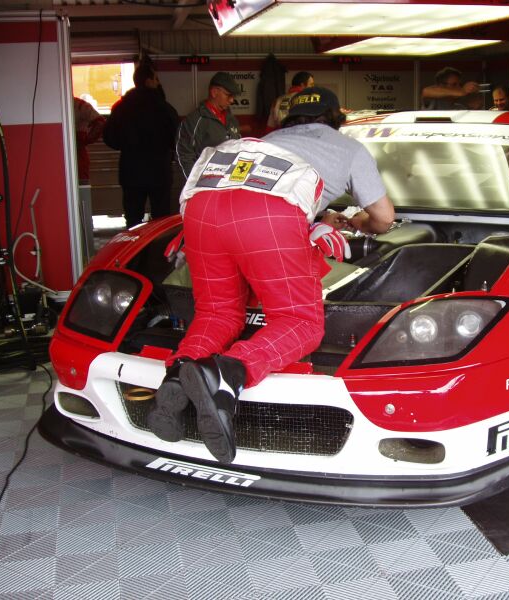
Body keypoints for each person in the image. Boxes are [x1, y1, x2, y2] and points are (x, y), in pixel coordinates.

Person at [147, 87, 395, 464]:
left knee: (217, 312)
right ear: (336, 120)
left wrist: (316, 216)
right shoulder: (348, 147)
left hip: (201, 208)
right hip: (264, 216)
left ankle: (180, 373)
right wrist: (358, 221)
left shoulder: (267, 140)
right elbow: (384, 218)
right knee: (300, 322)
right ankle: (227, 375)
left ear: (288, 119)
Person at [103, 62, 179, 228]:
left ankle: (135, 253)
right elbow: (178, 139)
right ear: (148, 81)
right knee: (161, 220)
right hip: (159, 172)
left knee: (132, 219)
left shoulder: (121, 108)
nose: (158, 82)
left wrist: (128, 146)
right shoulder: (164, 109)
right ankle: (159, 252)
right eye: (156, 78)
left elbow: (109, 137)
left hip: (131, 172)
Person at [176, 71, 242, 178]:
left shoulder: (232, 120)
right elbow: (184, 155)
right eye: (228, 95)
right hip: (205, 185)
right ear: (214, 92)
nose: (232, 100)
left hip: (228, 182)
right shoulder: (195, 120)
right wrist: (195, 183)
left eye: (233, 96)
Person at [73, 96, 105, 184]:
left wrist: (86, 141)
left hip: (78, 155)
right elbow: (100, 123)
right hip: (78, 154)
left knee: (82, 185)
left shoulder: (79, 105)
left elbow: (100, 123)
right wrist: (87, 140)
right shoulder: (79, 104)